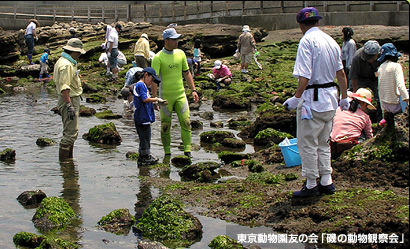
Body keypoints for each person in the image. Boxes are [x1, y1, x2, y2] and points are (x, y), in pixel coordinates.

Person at [283, 7, 349, 197]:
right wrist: (344, 98)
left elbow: (305, 75)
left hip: (313, 99)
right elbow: (341, 73)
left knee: (307, 143)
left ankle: (311, 183)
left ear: (301, 25)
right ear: (317, 22)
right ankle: (327, 180)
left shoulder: (307, 41)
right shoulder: (331, 41)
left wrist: (296, 98)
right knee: (323, 142)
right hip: (330, 98)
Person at [151, 28, 200, 158]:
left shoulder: (181, 54)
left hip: (180, 95)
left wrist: (193, 90)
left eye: (177, 39)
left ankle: (187, 152)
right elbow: (154, 80)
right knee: (165, 126)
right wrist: (155, 98)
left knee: (186, 122)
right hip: (165, 97)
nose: (177, 42)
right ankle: (167, 154)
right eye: (174, 39)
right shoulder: (157, 58)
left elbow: (187, 72)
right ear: (166, 41)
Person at [53, 38, 86, 161]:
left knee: (69, 132)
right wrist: (69, 105)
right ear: (75, 52)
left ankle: (69, 160)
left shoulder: (61, 61)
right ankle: (66, 164)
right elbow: (64, 87)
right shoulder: (66, 65)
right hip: (69, 99)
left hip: (67, 99)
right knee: (70, 134)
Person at [330, 88, 375, 159]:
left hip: (334, 145)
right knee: (363, 134)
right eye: (366, 106)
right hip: (350, 145)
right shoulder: (365, 117)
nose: (366, 108)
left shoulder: (338, 109)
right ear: (363, 103)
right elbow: (369, 136)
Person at [133, 67, 165, 165]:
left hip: (143, 116)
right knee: (145, 136)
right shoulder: (141, 85)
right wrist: (156, 99)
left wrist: (154, 104)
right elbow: (144, 99)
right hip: (142, 116)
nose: (152, 83)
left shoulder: (142, 86)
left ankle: (143, 155)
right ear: (146, 75)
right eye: (152, 79)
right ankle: (145, 156)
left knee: (146, 136)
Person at [377, 43, 409, 126]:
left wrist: (383, 110)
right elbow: (401, 85)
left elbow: (380, 89)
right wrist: (407, 102)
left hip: (385, 104)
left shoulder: (380, 68)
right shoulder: (396, 66)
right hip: (396, 104)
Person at [350, 40, 382, 121]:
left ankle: (380, 119)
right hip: (361, 78)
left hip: (375, 78)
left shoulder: (382, 55)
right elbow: (354, 77)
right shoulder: (357, 57)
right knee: (354, 97)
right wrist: (356, 93)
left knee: (380, 96)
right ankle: (354, 117)